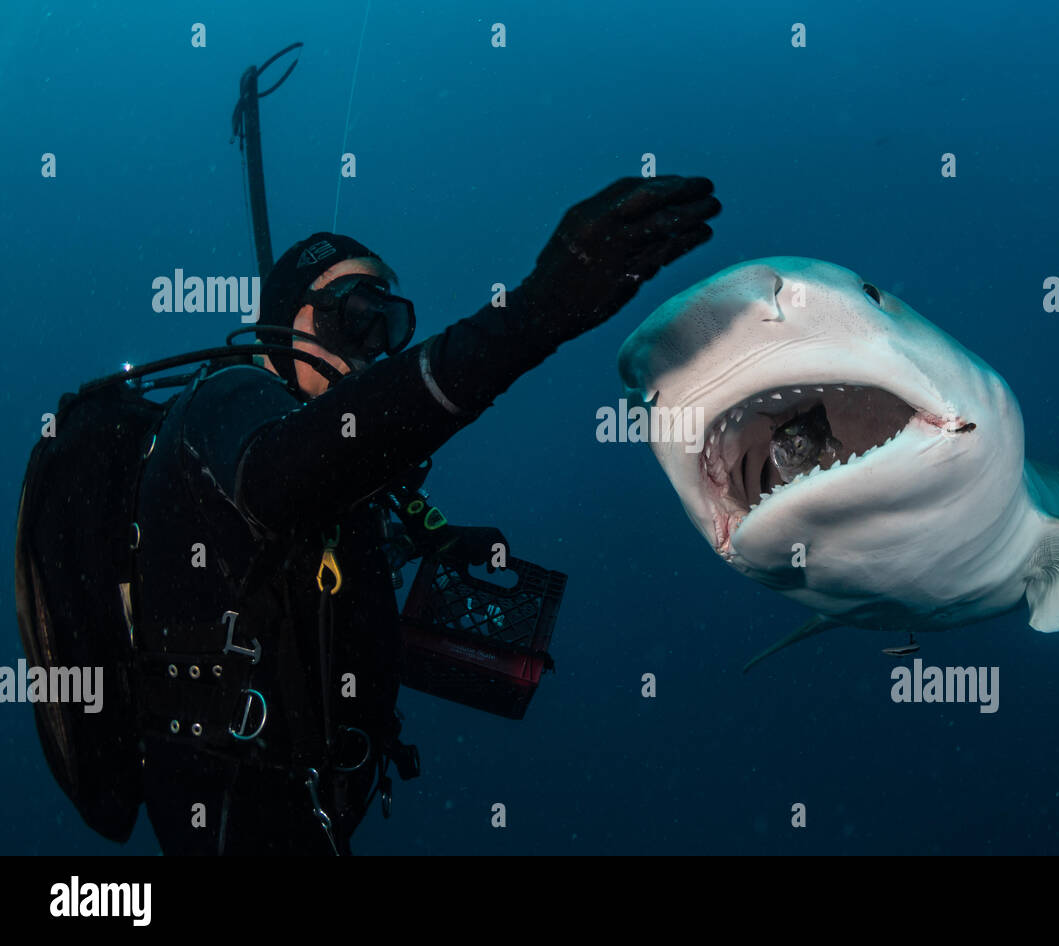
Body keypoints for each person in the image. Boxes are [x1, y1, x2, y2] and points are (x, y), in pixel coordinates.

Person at [132, 175, 721, 854]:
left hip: (317, 796)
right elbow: (290, 472)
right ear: (284, 317)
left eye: (391, 324)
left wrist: (437, 538)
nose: (373, 343)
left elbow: (355, 499)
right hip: (236, 801)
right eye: (353, 313)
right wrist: (532, 315)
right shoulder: (231, 400)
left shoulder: (323, 456)